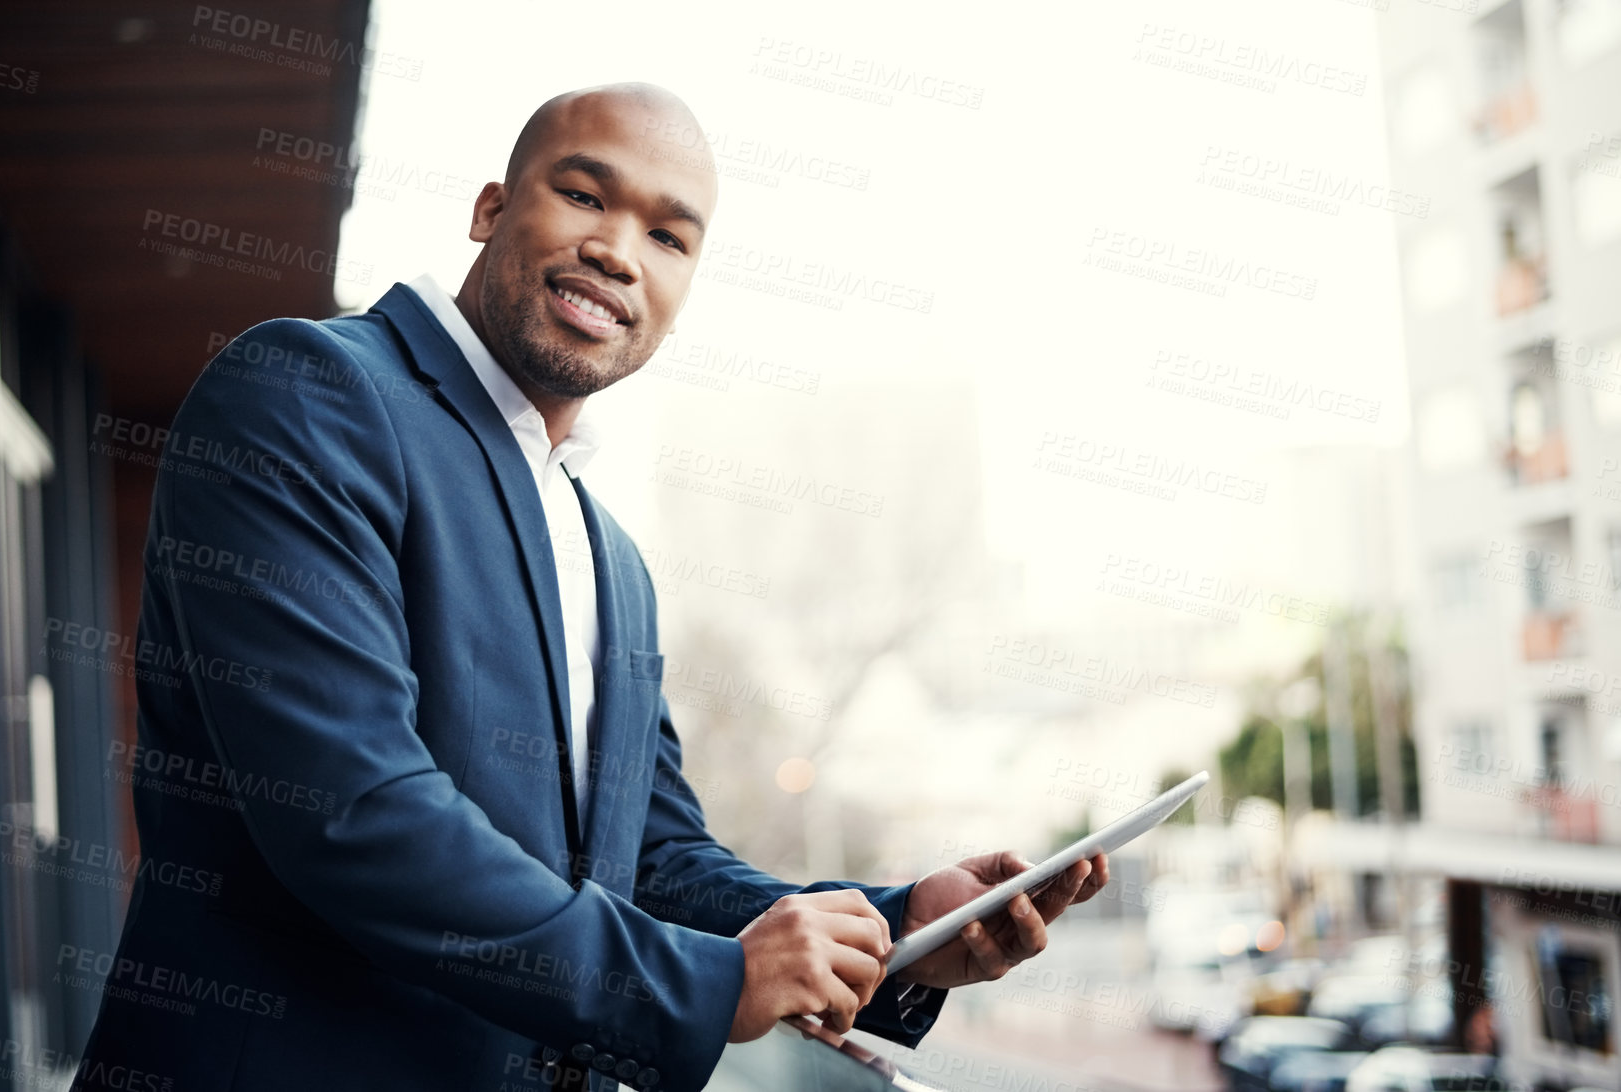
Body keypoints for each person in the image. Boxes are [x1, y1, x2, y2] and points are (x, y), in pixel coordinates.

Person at [73, 81, 1109, 1092]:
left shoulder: (610, 554)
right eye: (584, 194)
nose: (618, 249)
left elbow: (651, 860)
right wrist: (704, 982)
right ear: (490, 209)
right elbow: (351, 814)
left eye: (670, 237)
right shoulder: (307, 394)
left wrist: (896, 930)